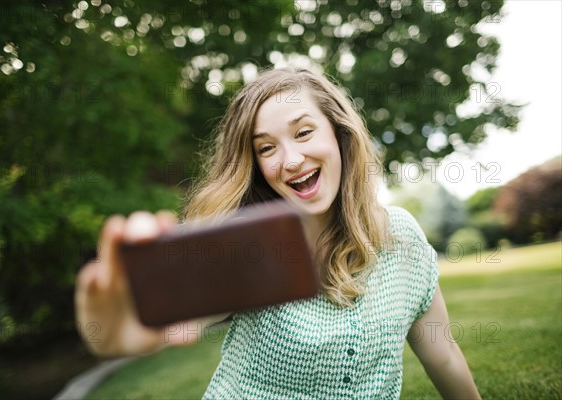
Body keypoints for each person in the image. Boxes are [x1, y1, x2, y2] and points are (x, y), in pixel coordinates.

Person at [75, 67, 481, 399]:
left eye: (303, 132)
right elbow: (173, 318)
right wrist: (122, 327)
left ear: (338, 133)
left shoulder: (401, 236)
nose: (290, 160)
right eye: (266, 148)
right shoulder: (250, 249)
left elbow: (442, 353)